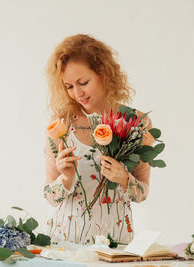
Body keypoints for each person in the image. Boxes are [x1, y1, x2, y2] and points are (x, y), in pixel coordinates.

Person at [43, 34, 152, 245]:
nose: (77, 93)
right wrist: (65, 180)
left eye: (83, 82)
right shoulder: (60, 125)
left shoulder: (137, 123)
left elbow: (142, 194)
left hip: (115, 247)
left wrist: (124, 179)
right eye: (69, 86)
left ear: (104, 74)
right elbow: (50, 197)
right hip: (64, 248)